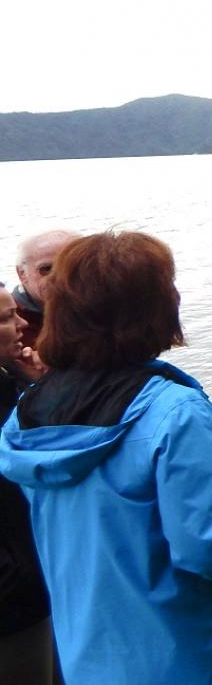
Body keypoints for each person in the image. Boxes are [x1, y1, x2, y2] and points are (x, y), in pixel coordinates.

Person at [0, 231, 212, 685]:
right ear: (157, 307)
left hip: (92, 660)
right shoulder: (175, 413)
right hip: (202, 660)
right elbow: (209, 546)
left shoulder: (27, 416)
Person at [0, 282, 56, 685]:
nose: (22, 323)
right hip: (15, 600)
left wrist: (35, 386)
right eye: (6, 318)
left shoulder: (8, 384)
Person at [12, 230, 79, 347]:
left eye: (71, 267)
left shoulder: (100, 303)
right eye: (47, 269)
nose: (60, 277)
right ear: (22, 274)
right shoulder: (9, 318)